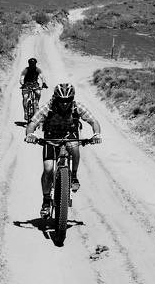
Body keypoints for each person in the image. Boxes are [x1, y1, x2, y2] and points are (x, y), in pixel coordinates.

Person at [24, 83, 102, 218]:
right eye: (61, 100)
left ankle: (74, 177)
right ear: (56, 98)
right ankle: (46, 201)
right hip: (51, 137)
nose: (65, 103)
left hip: (69, 135)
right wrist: (30, 134)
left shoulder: (77, 107)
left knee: (75, 148)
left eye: (68, 100)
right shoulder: (48, 107)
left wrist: (96, 134)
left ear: (72, 99)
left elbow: (93, 121)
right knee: (48, 169)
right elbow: (32, 123)